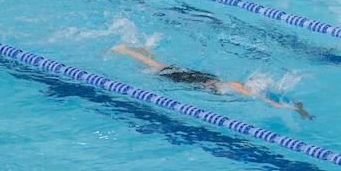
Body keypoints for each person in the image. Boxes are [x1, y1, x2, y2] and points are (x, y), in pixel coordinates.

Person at [109, 44, 314, 120]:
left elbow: (269, 99)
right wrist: (296, 109)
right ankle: (124, 50)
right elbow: (269, 102)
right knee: (155, 69)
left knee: (158, 67)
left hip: (199, 77)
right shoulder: (239, 89)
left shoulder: (236, 85)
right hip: (193, 80)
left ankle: (135, 50)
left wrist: (299, 108)